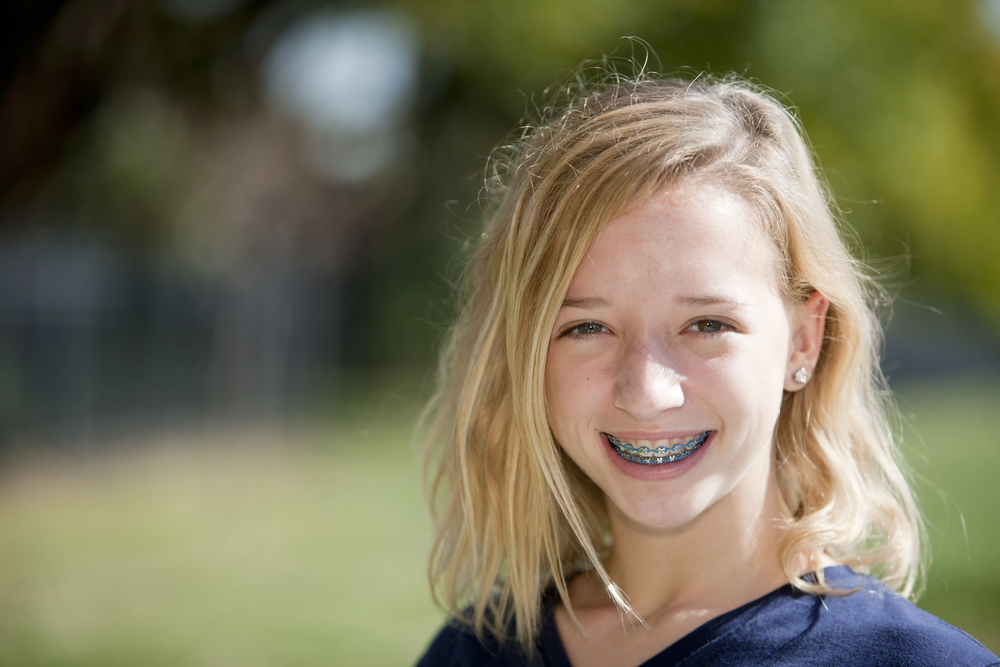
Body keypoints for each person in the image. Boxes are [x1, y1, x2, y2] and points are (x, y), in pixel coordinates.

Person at [416, 74, 1000, 666]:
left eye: (707, 325)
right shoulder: (474, 653)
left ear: (804, 339)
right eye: (586, 328)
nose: (645, 393)